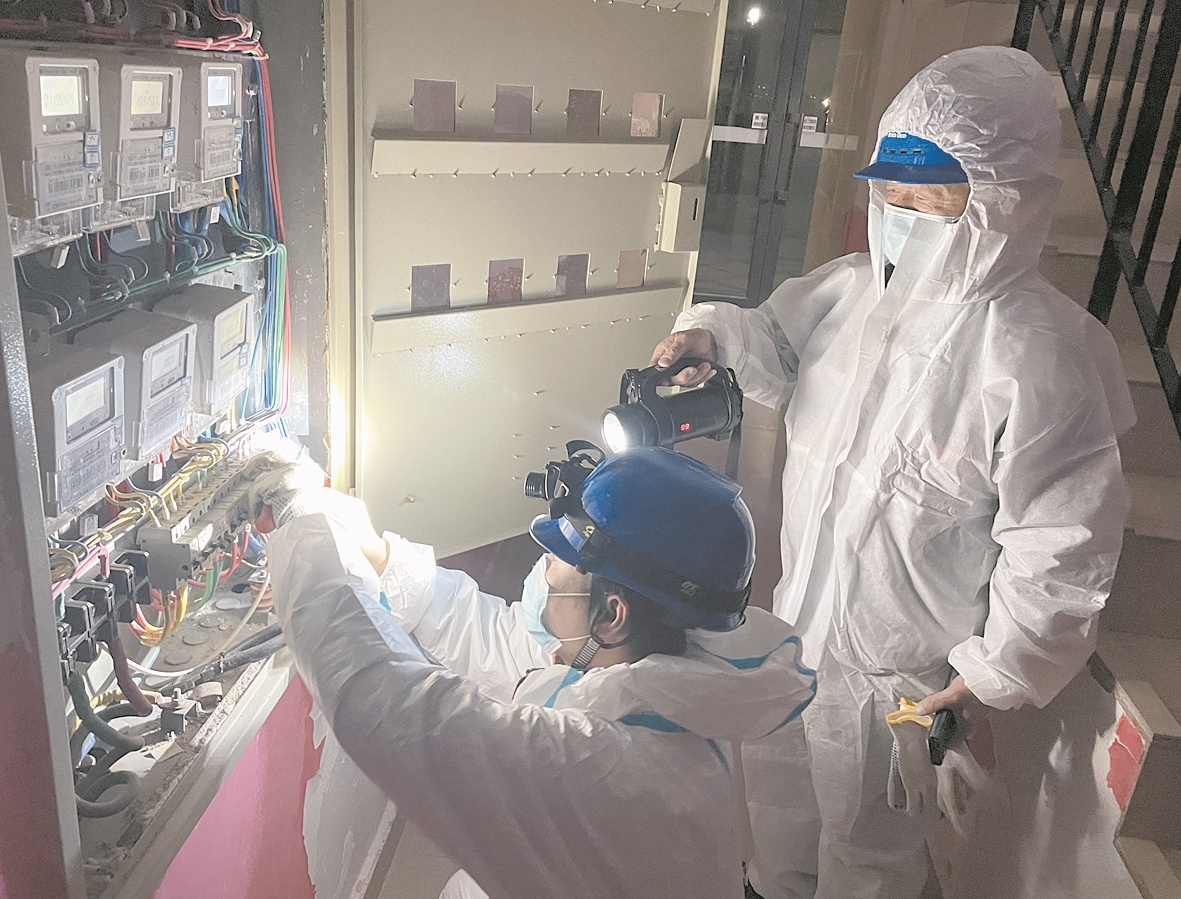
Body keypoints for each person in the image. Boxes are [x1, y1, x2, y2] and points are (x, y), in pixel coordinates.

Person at [650, 46, 1135, 898]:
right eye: (890, 195)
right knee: (778, 805)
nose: (901, 216)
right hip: (797, 625)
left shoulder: (1038, 355)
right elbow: (775, 344)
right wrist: (713, 337)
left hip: (902, 680)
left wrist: (989, 675)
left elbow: (1058, 546)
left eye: (928, 199)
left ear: (1001, 200)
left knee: (867, 852)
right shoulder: (850, 293)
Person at [257, 446, 818, 899]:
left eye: (557, 564)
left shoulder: (606, 768)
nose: (544, 569)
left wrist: (305, 526)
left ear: (612, 614)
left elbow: (389, 707)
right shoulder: (661, 676)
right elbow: (492, 641)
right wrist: (379, 558)